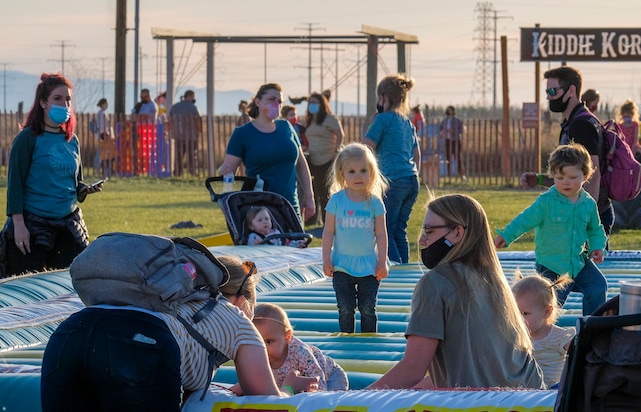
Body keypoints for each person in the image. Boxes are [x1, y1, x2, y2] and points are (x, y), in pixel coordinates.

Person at [41, 255, 319, 411]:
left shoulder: (168, 296)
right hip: (140, 344)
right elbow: (266, 402)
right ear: (243, 301)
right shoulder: (238, 320)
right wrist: (290, 386)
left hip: (68, 334)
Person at [367, 194, 544, 389]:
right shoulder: (496, 284)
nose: (421, 240)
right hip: (531, 399)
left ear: (457, 233)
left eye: (428, 231)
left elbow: (413, 368)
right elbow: (468, 369)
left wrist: (352, 401)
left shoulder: (435, 283)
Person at [1, 73, 103, 278]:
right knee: (25, 288)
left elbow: (74, 182)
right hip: (32, 226)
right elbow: (15, 184)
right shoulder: (27, 139)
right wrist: (19, 226)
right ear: (43, 103)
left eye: (68, 100)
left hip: (67, 227)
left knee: (69, 287)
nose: (64, 104)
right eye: (58, 98)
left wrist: (84, 189)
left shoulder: (72, 140)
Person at [495, 144, 608, 315]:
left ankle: (591, 328)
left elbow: (595, 230)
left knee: (598, 286)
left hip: (578, 262)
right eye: (560, 177)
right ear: (553, 176)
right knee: (550, 304)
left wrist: (597, 247)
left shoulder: (588, 203)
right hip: (552, 265)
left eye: (572, 177)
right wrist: (507, 235)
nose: (566, 182)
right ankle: (543, 333)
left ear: (585, 175)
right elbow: (525, 220)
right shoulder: (547, 202)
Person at [520, 66, 614, 242]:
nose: (548, 96)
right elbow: (569, 177)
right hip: (582, 214)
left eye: (553, 91)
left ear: (571, 90)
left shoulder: (581, 126)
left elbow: (592, 175)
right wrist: (539, 179)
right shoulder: (573, 123)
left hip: (587, 218)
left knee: (586, 269)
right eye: (547, 91)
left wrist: (585, 220)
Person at [218, 83, 315, 221]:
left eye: (279, 101)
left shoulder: (286, 128)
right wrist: (223, 171)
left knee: (295, 241)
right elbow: (228, 170)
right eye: (271, 99)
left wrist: (309, 196)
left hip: (290, 204)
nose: (276, 104)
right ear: (258, 102)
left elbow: (301, 164)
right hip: (259, 208)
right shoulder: (242, 134)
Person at [322, 143, 388, 333]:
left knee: (368, 309)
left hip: (368, 266)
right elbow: (328, 232)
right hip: (342, 265)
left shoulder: (374, 202)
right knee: (345, 309)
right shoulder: (336, 201)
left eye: (363, 170)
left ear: (371, 172)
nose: (358, 175)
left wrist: (382, 261)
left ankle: (368, 340)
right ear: (342, 173)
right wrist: (326, 258)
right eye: (351, 171)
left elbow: (382, 234)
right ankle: (346, 338)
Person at [361, 73, 421, 264]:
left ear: (384, 97)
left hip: (392, 181)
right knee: (399, 230)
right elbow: (417, 154)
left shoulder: (382, 120)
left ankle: (393, 270)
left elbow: (366, 145)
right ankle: (404, 268)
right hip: (411, 180)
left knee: (385, 229)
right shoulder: (407, 123)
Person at [230, 302, 348, 395]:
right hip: (294, 385)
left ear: (287, 336)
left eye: (269, 341)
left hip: (329, 376)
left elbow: (318, 380)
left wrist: (319, 399)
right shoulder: (259, 355)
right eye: (258, 341)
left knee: (331, 399)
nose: (263, 348)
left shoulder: (300, 353)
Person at [512, 273, 576, 388]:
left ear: (546, 312)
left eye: (525, 313)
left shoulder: (560, 336)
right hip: (526, 391)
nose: (519, 319)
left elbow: (581, 351)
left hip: (552, 394)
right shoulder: (515, 337)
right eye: (515, 313)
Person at [304, 92, 345, 226]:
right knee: (312, 190)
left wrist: (336, 151)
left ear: (322, 104)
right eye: (310, 103)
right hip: (312, 158)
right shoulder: (310, 120)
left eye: (315, 103)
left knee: (325, 191)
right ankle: (312, 221)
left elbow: (340, 134)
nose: (312, 105)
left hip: (327, 159)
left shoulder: (330, 119)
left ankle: (329, 220)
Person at [169, 90, 202, 177]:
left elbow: (170, 121)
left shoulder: (175, 107)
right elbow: (198, 121)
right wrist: (198, 132)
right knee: (192, 156)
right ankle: (193, 173)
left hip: (178, 136)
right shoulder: (193, 108)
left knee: (178, 157)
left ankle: (177, 173)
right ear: (191, 96)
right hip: (191, 136)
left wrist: (172, 131)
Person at [438, 105, 464, 178]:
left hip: (455, 140)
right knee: (448, 158)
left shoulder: (457, 120)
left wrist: (453, 131)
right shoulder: (445, 120)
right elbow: (440, 129)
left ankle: (461, 174)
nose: (448, 111)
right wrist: (442, 133)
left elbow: (461, 130)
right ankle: (449, 175)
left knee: (458, 158)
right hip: (447, 140)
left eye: (450, 110)